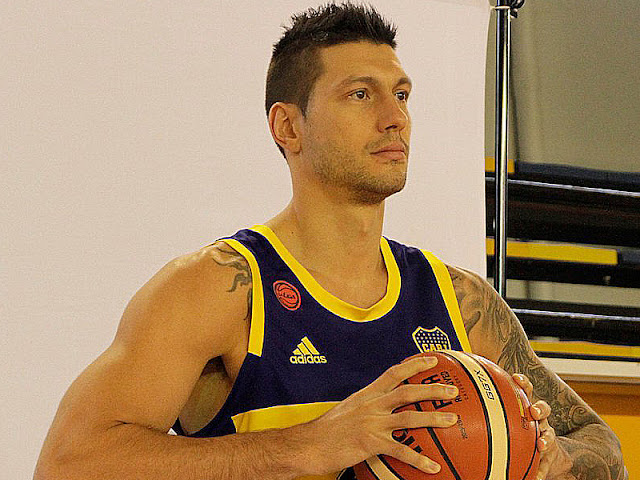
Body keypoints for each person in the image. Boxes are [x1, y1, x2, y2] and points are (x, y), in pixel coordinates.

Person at [34, 3, 627, 480]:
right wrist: (309, 446)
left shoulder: (461, 300)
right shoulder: (220, 288)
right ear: (287, 126)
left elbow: (601, 444)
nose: (395, 117)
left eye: (401, 94)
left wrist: (550, 457)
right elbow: (69, 463)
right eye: (360, 94)